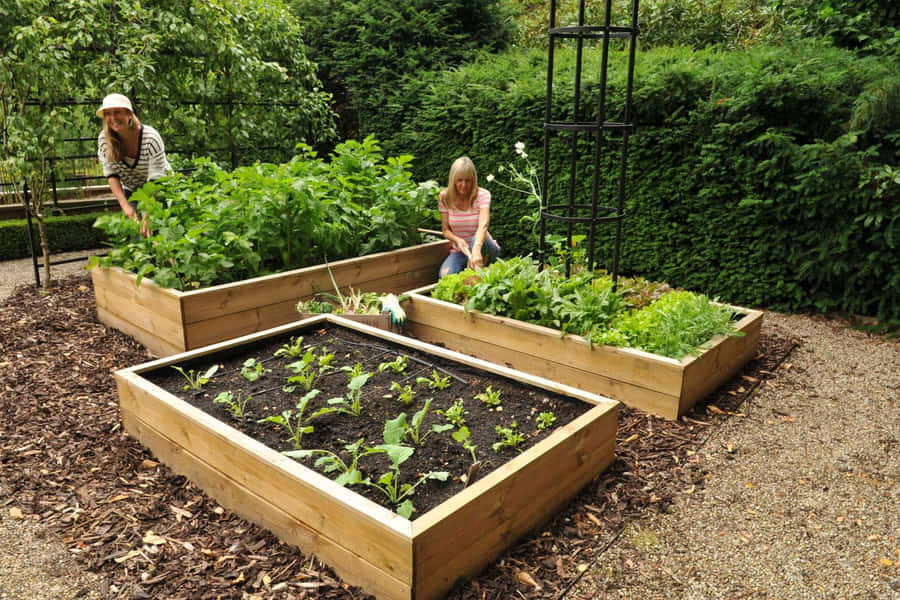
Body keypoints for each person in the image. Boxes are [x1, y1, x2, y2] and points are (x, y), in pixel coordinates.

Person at [96, 93, 171, 237]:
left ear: (129, 114)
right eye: (108, 114)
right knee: (138, 237)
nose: (113, 118)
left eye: (118, 112)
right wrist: (126, 206)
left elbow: (157, 179)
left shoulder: (151, 138)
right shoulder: (104, 140)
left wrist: (148, 213)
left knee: (162, 236)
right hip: (133, 191)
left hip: (161, 190)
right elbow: (111, 174)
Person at [438, 156, 500, 277]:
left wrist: (476, 249)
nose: (464, 185)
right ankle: (471, 267)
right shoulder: (444, 197)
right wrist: (457, 240)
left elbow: (483, 225)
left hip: (483, 246)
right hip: (461, 250)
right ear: (453, 180)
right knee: (445, 275)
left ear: (473, 180)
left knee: (474, 239)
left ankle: (482, 264)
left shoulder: (483, 195)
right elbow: (445, 230)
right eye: (459, 180)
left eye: (468, 180)